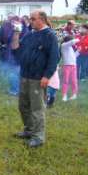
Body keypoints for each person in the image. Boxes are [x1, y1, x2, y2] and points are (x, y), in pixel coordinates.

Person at [11, 10, 59, 148]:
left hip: (38, 78)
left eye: (33, 19)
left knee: (37, 108)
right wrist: (16, 33)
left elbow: (54, 58)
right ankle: (29, 130)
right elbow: (16, 49)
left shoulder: (50, 36)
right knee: (23, 105)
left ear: (42, 19)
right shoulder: (30, 34)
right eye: (30, 19)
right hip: (25, 75)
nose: (30, 21)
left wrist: (46, 76)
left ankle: (38, 137)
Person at [61, 35, 80, 101]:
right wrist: (79, 38)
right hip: (66, 66)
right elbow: (72, 42)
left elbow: (74, 57)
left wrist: (78, 51)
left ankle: (74, 94)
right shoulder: (64, 45)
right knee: (65, 81)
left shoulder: (71, 48)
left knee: (74, 80)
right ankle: (64, 95)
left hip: (73, 65)